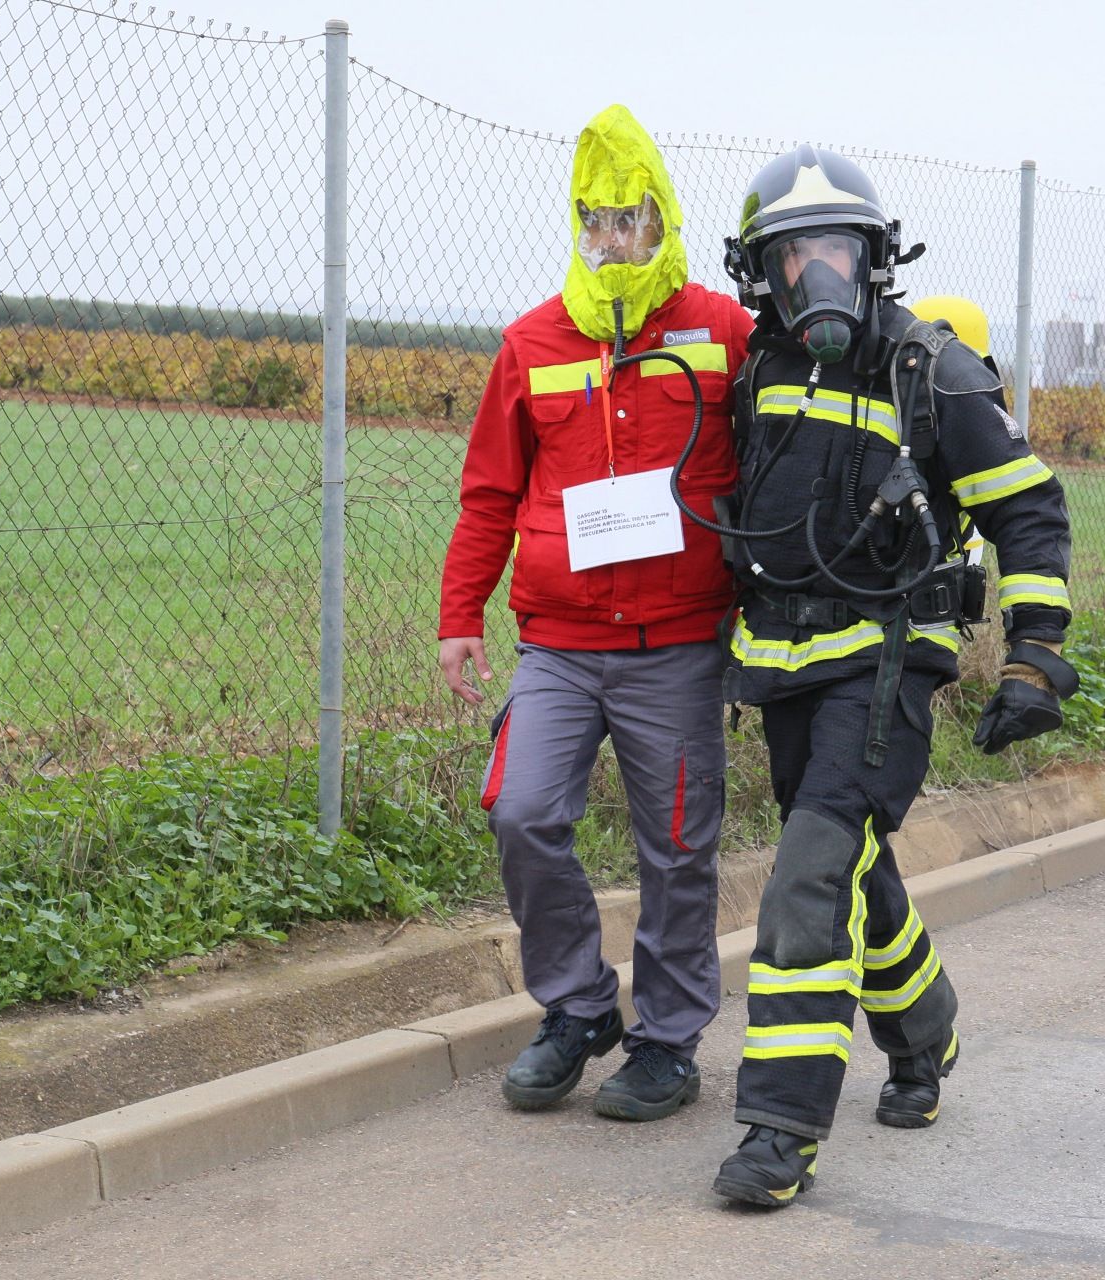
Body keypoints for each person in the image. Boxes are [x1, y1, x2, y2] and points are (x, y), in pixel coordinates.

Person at [704, 147, 1076, 1206]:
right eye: (794, 254)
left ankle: (780, 1130)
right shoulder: (756, 371)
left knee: (806, 881)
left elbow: (1028, 508)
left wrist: (1038, 651)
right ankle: (926, 1031)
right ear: (761, 273)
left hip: (886, 663)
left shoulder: (935, 372)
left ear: (874, 258)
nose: (818, 272)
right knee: (858, 875)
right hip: (782, 661)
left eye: (838, 248)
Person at [437, 104, 755, 1118]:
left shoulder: (723, 332)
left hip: (678, 648)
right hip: (560, 646)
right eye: (597, 220)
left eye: (632, 217)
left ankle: (666, 1038)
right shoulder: (533, 341)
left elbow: (785, 460)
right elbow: (489, 489)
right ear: (576, 224)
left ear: (663, 218)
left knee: (676, 845)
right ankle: (577, 1007)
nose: (614, 237)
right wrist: (459, 614)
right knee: (523, 809)